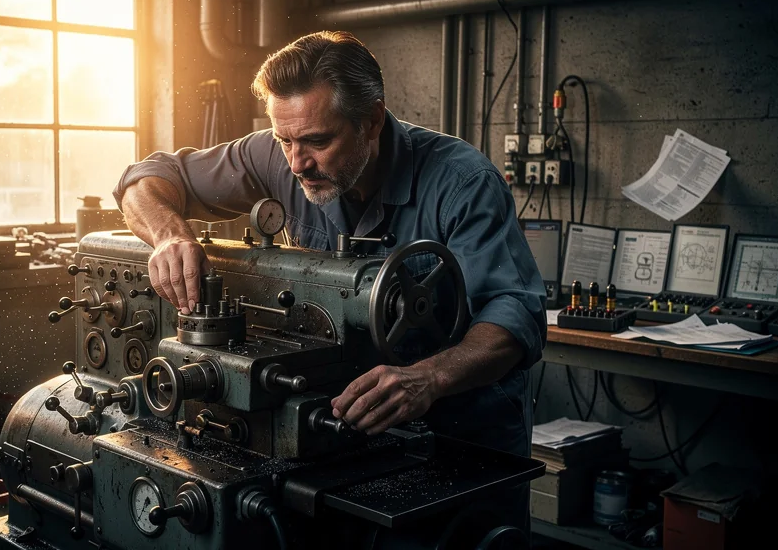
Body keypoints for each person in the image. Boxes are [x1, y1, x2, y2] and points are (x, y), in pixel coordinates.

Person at [113, 30, 547, 535]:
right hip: (347, 437)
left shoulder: (462, 183)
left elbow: (514, 316)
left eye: (318, 141)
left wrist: (428, 378)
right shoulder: (279, 155)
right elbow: (144, 179)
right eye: (284, 140)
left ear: (372, 121)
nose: (297, 163)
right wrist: (168, 236)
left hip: (460, 438)